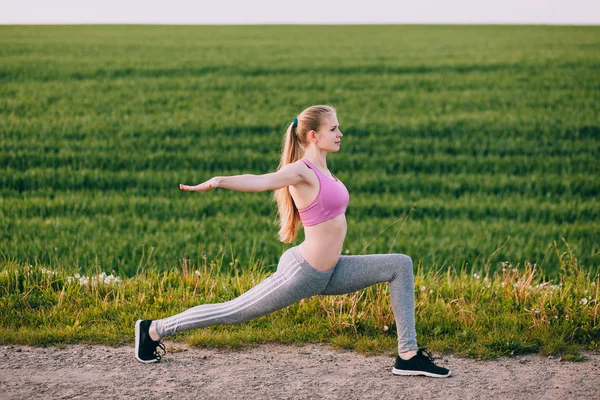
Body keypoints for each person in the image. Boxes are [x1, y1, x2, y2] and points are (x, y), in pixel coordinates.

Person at [135, 105, 451, 378]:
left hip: (331, 272)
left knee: (399, 264)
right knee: (234, 311)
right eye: (334, 128)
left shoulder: (326, 171)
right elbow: (261, 181)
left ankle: (407, 356)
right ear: (313, 135)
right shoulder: (301, 170)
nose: (340, 133)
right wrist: (219, 181)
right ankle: (153, 329)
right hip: (303, 273)